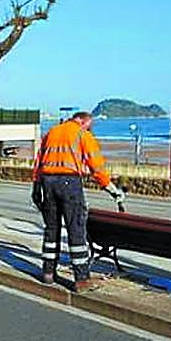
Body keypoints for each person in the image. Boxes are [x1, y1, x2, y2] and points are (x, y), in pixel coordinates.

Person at [32, 111, 125, 290]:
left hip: (47, 182)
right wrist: (112, 190)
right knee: (76, 229)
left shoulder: (52, 132)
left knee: (51, 229)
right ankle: (81, 279)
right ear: (83, 121)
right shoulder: (82, 135)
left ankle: (48, 272)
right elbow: (96, 167)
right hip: (70, 183)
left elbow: (39, 162)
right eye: (90, 126)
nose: (90, 130)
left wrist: (36, 187)